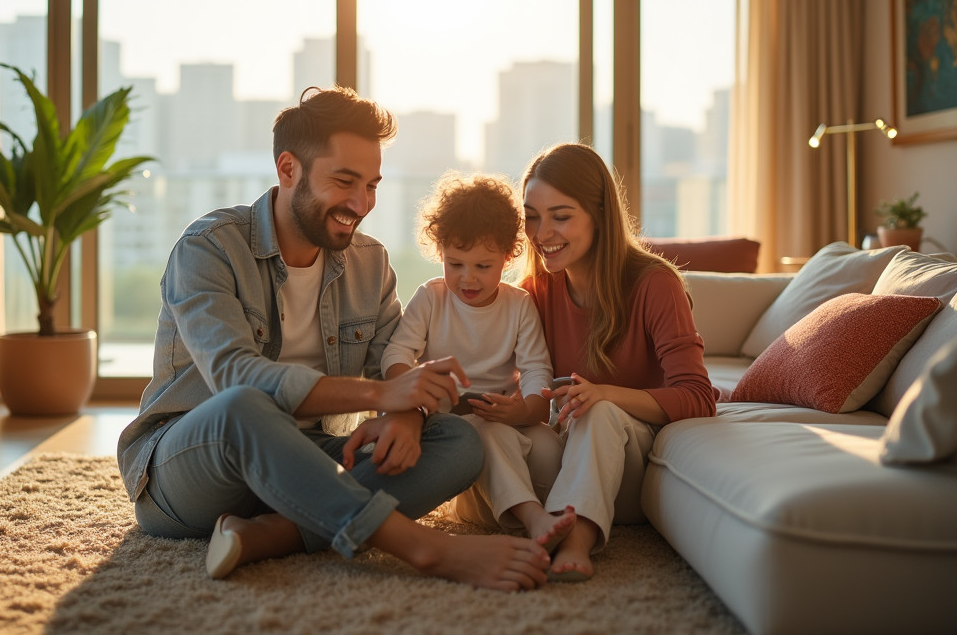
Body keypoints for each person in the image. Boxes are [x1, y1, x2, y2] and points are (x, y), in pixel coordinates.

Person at [116, 86, 551, 591]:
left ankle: (269, 535)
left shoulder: (369, 262)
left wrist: (407, 413)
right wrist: (380, 396)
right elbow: (236, 375)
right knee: (244, 405)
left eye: (371, 185)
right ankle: (425, 549)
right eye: (344, 181)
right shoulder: (209, 248)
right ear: (288, 170)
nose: (360, 203)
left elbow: (395, 364)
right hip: (195, 468)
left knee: (459, 440)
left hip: (310, 458)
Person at [519, 143, 717, 582]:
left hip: (630, 457)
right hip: (569, 446)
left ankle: (575, 540)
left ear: (600, 216)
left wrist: (605, 393)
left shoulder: (654, 284)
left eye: (561, 216)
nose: (542, 232)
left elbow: (699, 397)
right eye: (532, 215)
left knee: (600, 410)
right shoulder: (536, 290)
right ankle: (544, 521)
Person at [381, 173, 573, 551]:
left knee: (551, 452)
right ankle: (533, 518)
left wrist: (523, 411)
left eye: (483, 267)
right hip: (449, 429)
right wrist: (414, 388)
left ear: (508, 255)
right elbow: (396, 354)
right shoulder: (431, 298)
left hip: (506, 419)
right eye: (455, 264)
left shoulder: (519, 305)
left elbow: (536, 371)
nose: (467, 278)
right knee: (484, 434)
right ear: (440, 253)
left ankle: (512, 505)